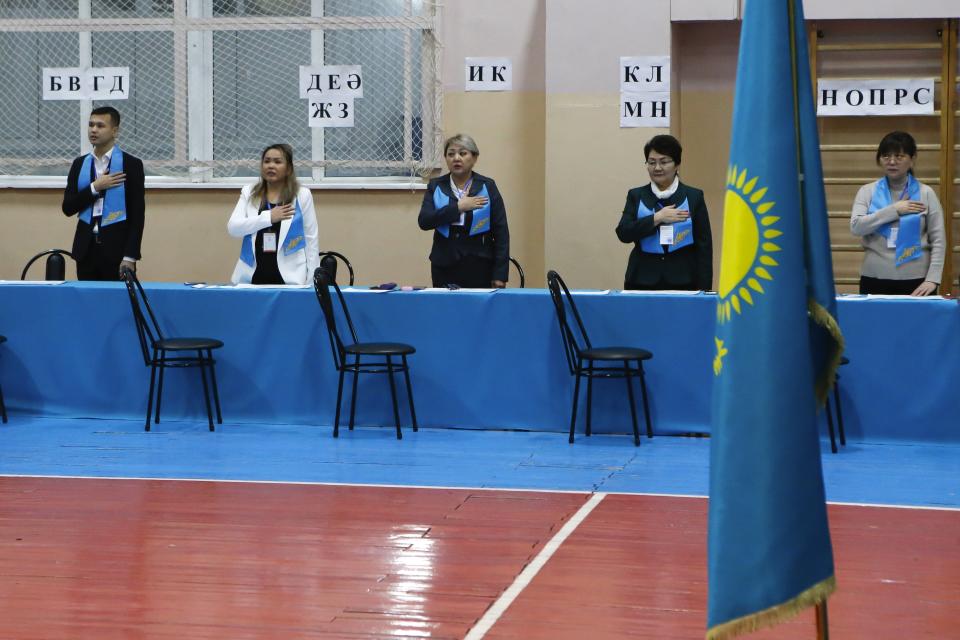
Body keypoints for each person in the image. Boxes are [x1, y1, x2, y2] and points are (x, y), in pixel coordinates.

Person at [850, 131, 945, 296]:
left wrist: (933, 279)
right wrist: (894, 210)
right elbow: (857, 227)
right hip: (874, 278)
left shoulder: (926, 193)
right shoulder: (867, 191)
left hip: (918, 281)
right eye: (886, 156)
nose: (892, 162)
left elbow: (938, 239)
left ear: (912, 159)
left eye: (899, 156)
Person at [615, 135, 712, 291]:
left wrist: (705, 290)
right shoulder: (636, 195)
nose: (657, 168)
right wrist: (656, 218)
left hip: (684, 282)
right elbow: (623, 233)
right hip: (642, 281)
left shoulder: (693, 196)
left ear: (677, 164)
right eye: (652, 162)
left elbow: (704, 247)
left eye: (664, 162)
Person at [62, 106, 145, 281]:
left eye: (100, 126)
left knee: (116, 304)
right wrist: (95, 187)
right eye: (91, 125)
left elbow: (137, 216)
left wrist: (130, 256)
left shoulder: (131, 165)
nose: (93, 130)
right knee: (87, 304)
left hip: (117, 251)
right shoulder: (79, 164)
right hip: (86, 249)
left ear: (115, 131)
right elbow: (68, 207)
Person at [418, 134, 510, 288]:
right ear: (446, 158)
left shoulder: (487, 186)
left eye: (463, 153)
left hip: (480, 265)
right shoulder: (436, 185)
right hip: (444, 265)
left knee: (478, 311)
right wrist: (458, 207)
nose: (456, 158)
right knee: (447, 310)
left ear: (474, 158)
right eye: (451, 154)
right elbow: (425, 221)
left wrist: (500, 274)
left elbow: (501, 233)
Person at [227, 144, 319, 285]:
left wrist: (312, 280)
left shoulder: (302, 195)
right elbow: (233, 228)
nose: (271, 166)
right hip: (252, 278)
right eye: (267, 161)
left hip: (290, 279)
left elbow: (311, 239)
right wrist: (268, 217)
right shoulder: (249, 192)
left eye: (277, 162)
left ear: (288, 169)